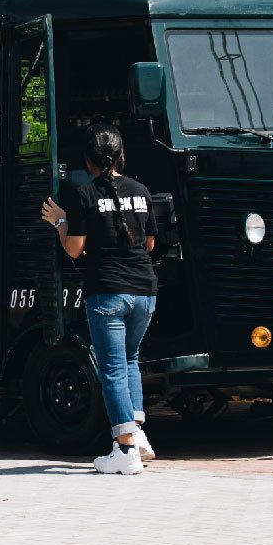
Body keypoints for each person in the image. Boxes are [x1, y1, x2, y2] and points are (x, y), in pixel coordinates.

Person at [41, 123, 158, 475]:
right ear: (121, 155)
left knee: (111, 369)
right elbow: (149, 243)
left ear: (87, 161)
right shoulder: (141, 190)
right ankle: (137, 435)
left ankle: (124, 452)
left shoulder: (83, 194)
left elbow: (75, 249)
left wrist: (60, 222)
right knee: (130, 360)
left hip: (107, 291)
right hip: (145, 291)